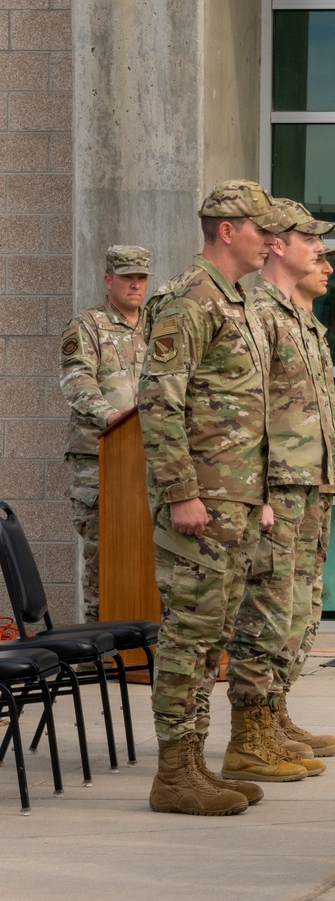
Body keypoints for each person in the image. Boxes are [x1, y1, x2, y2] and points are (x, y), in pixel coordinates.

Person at [138, 180, 283, 817]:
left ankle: (193, 765)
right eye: (261, 230)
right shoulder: (189, 300)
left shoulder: (236, 302)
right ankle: (173, 773)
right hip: (200, 504)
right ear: (227, 230)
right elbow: (159, 402)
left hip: (235, 504)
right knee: (188, 637)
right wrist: (180, 494)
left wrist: (259, 496)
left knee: (210, 635)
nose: (271, 242)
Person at [223, 202, 335, 784]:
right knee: (266, 613)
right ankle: (248, 737)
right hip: (280, 487)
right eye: (311, 242)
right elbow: (250, 412)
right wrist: (264, 489)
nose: (321, 254)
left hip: (309, 484)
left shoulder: (298, 317)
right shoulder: (258, 313)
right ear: (276, 245)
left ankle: (272, 717)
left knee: (296, 612)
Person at [60, 246, 151, 620]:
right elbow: (76, 379)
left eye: (141, 277)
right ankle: (97, 650)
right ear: (108, 279)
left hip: (146, 457)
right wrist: (110, 416)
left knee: (147, 553)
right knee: (103, 556)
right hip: (97, 458)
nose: (134, 284)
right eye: (127, 276)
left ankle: (141, 648)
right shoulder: (87, 325)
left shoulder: (159, 324)